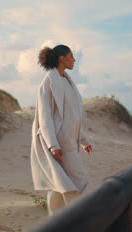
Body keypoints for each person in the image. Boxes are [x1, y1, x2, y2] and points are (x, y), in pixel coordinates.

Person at [30, 44, 93, 216]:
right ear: (61, 59)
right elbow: (45, 117)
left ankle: (56, 220)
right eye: (71, 56)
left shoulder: (66, 80)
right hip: (59, 141)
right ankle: (75, 218)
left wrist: (83, 140)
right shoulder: (48, 82)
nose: (74, 59)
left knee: (59, 184)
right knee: (80, 180)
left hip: (70, 139)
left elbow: (73, 115)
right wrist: (52, 145)